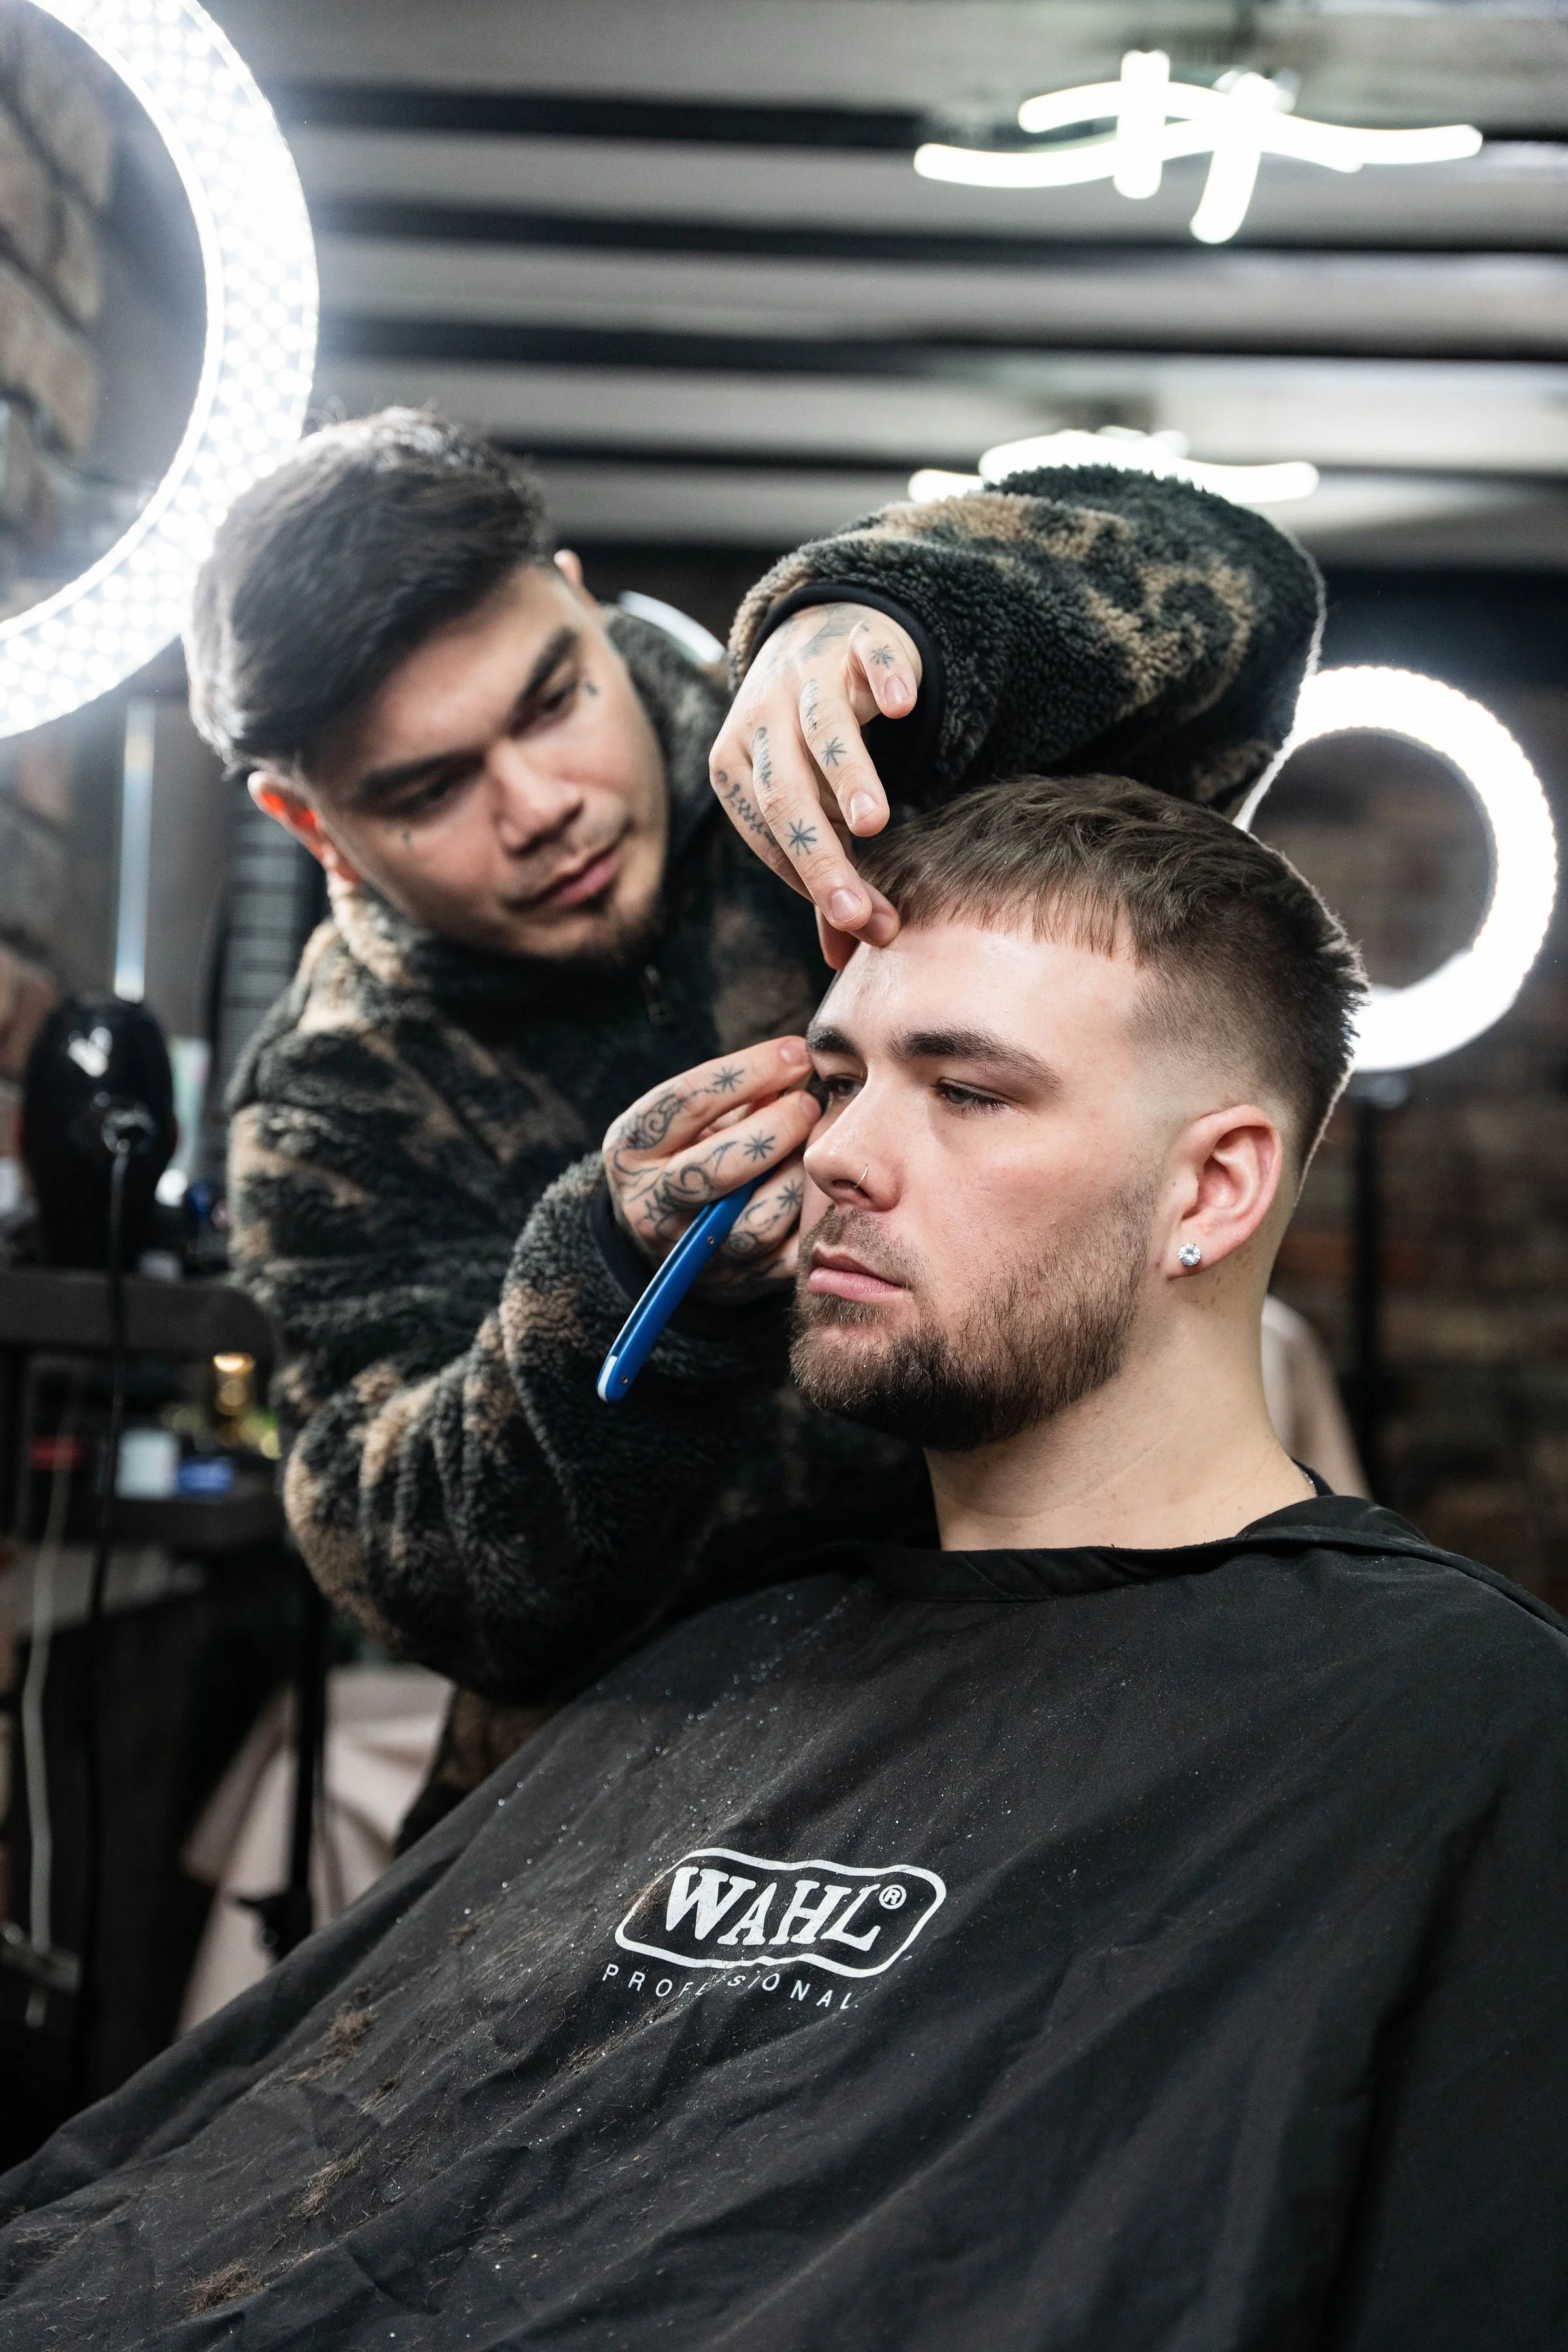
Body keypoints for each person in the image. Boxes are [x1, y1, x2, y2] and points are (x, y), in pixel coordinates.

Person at [6, 776, 1565, 2350]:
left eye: (966, 1092)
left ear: (1211, 1189)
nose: (845, 1157)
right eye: (840, 1079)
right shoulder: (736, 1658)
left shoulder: (1451, 1723)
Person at [194, 409, 1323, 1831]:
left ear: (578, 593)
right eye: (427, 790)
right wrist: (615, 1290)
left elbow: (1244, 599)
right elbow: (438, 1585)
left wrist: (903, 609)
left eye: (551, 699)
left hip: (1081, 1662)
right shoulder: (336, 1102)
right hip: (646, 1789)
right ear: (306, 821)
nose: (542, 806)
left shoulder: (866, 754)